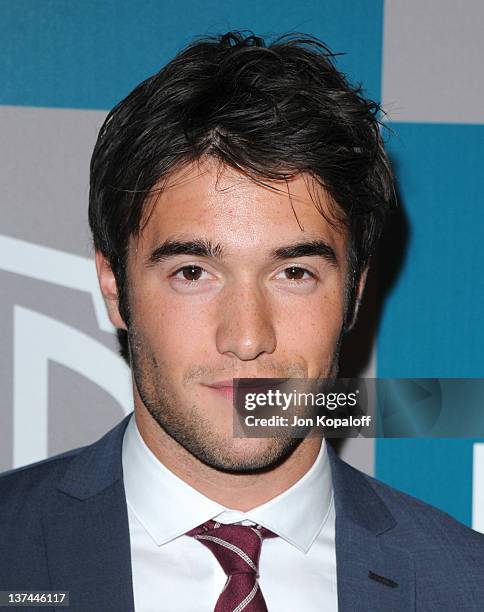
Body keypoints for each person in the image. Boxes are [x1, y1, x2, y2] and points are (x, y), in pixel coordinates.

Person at [0, 31, 483, 612]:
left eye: (295, 273)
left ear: (353, 292)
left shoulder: (464, 585)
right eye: (193, 272)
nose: (248, 338)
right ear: (114, 286)